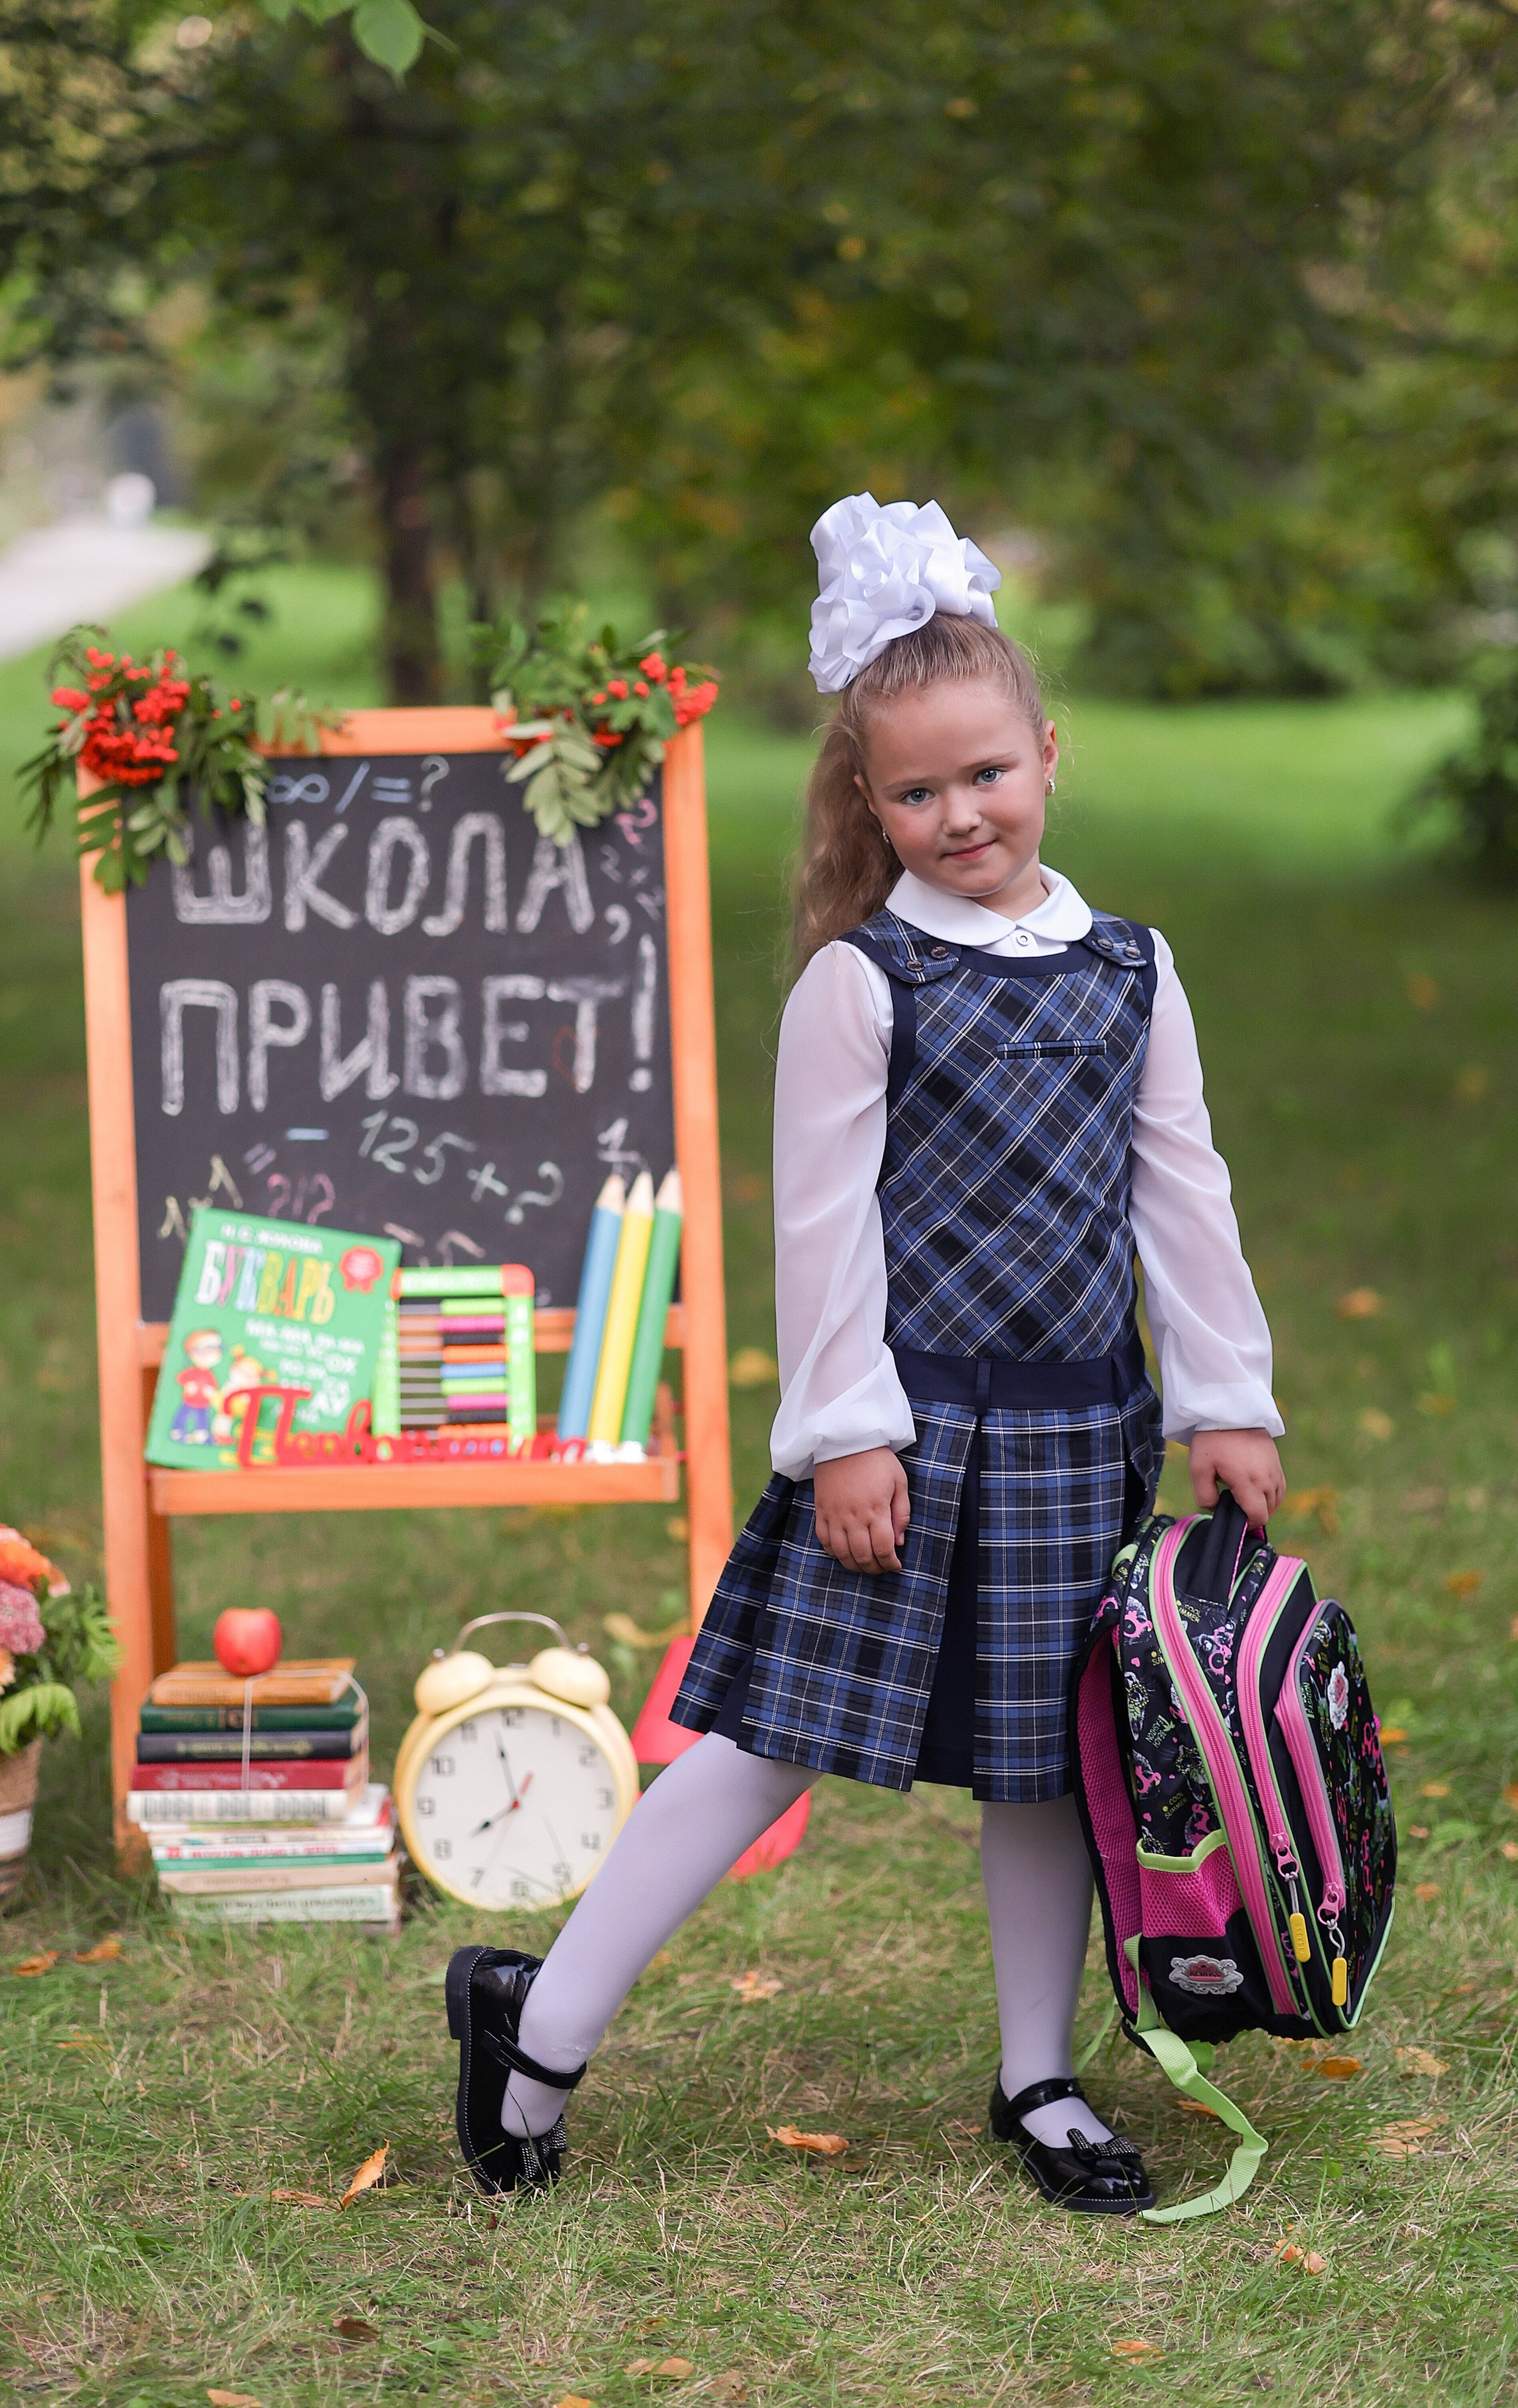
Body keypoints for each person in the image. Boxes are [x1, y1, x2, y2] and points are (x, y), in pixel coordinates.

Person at [446, 494, 1285, 2213]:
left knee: (1049, 1762)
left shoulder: (1134, 970)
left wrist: (1226, 1399)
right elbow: (821, 1227)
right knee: (769, 1736)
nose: (959, 814)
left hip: (1076, 1433)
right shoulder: (863, 981)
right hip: (904, 1437)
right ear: (866, 798)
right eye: (916, 792)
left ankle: (1038, 2076)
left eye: (988, 774)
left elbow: (1182, 1189)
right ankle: (542, 2024)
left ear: (1047, 756)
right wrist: (845, 1430)